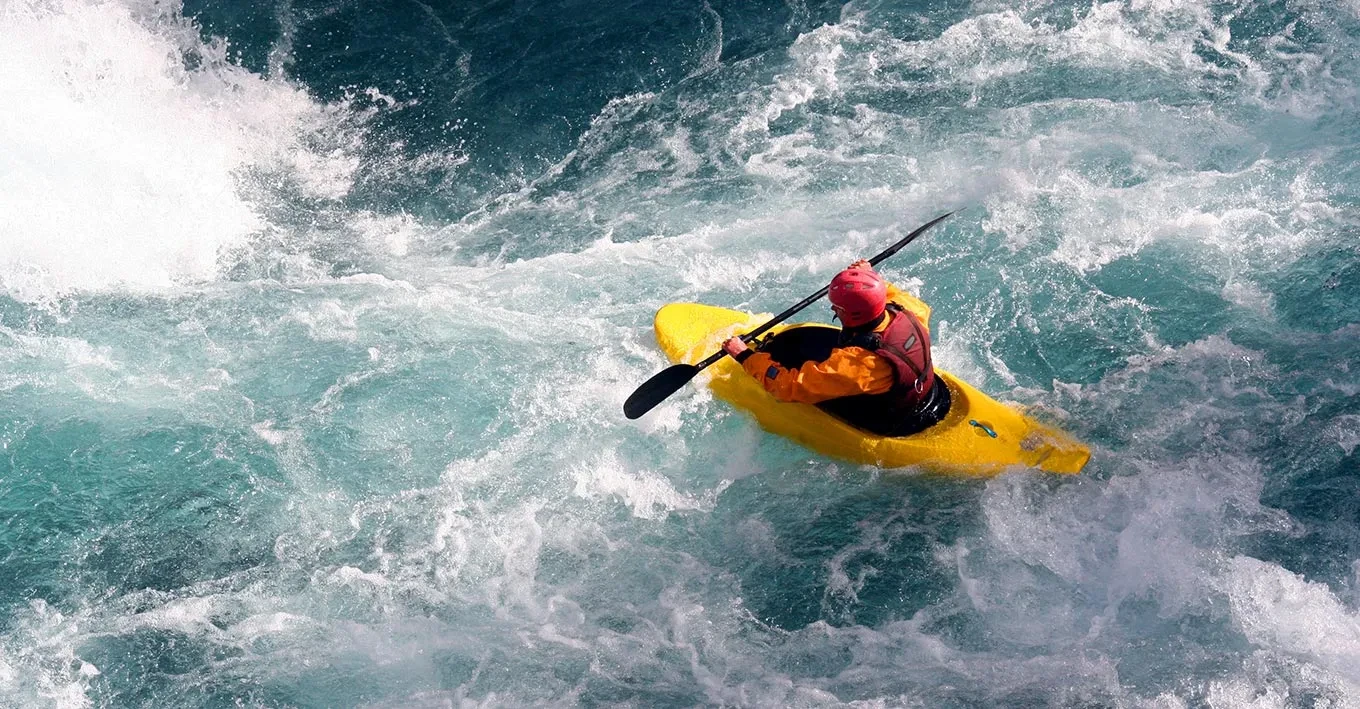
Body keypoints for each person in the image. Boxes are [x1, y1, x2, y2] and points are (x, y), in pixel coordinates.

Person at [721, 260, 951, 437]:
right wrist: (866, 275)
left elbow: (790, 387)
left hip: (889, 416)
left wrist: (745, 356)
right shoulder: (909, 309)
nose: (832, 307)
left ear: (850, 314)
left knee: (794, 378)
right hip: (926, 392)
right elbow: (887, 293)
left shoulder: (859, 365)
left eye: (836, 308)